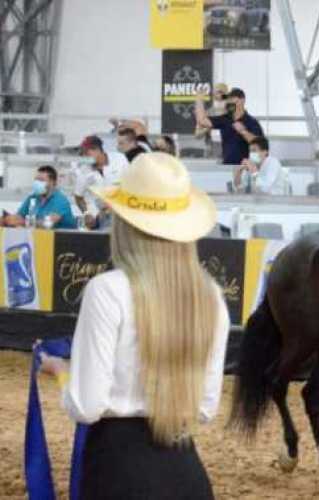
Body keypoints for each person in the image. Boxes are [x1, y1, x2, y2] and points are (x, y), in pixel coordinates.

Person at [37, 153, 229, 499]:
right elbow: (205, 408)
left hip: (118, 472)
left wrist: (62, 371)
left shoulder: (107, 290)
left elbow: (87, 405)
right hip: (186, 474)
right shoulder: (211, 296)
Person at [194, 86, 263, 165]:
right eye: (229, 99)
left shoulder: (251, 122)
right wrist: (199, 99)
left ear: (242, 100)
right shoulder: (226, 119)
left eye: (233, 99)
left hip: (244, 168)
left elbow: (260, 144)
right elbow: (202, 121)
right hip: (226, 167)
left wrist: (243, 131)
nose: (230, 102)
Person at [4, 166, 76, 229]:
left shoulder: (61, 200)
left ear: (52, 182)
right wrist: (8, 219)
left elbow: (48, 223)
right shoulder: (32, 197)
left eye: (41, 180)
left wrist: (24, 222)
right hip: (39, 238)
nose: (37, 183)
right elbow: (19, 216)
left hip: (62, 241)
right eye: (36, 180)